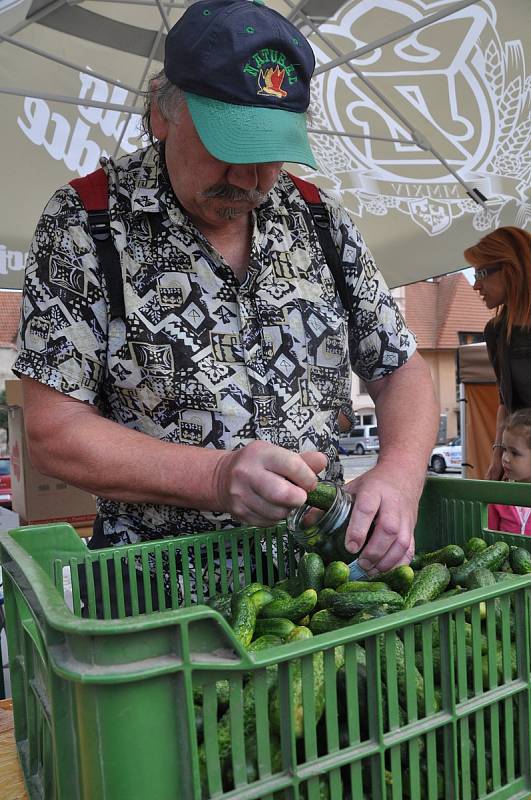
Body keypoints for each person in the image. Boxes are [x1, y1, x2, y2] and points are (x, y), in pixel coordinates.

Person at [13, 0, 438, 597]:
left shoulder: (319, 218)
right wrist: (215, 477)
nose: (248, 179)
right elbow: (53, 431)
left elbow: (402, 371)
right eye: (227, 147)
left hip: (320, 587)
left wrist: (398, 476)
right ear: (163, 112)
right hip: (158, 599)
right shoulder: (86, 223)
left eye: (269, 152)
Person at [464, 226, 531, 480]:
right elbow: (505, 401)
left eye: (480, 273)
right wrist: (497, 458)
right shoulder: (496, 331)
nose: (475, 285)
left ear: (512, 269)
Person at [488, 409, 531, 534]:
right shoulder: (498, 497)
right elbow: (490, 539)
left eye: (514, 453)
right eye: (504, 449)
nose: (505, 458)